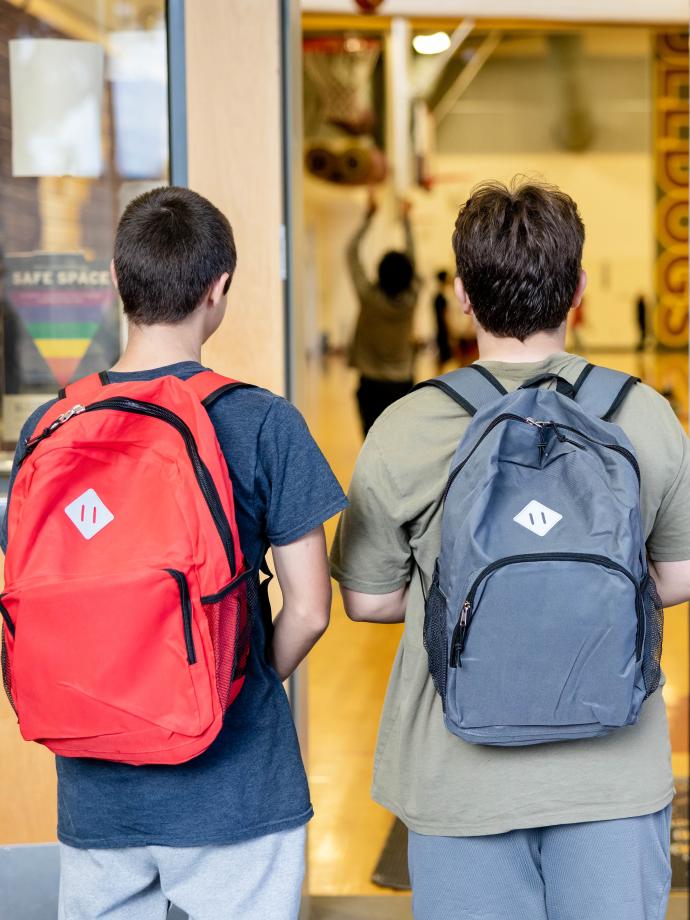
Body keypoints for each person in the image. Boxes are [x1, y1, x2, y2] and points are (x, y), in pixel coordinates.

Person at [330, 179, 690, 920]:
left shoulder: (407, 425)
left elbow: (366, 600)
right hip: (612, 778)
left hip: (460, 778)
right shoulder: (644, 415)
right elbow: (677, 577)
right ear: (579, 290)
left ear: (463, 294)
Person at [1, 186, 347, 920]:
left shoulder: (49, 426)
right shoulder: (261, 422)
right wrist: (233, 682)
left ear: (118, 285)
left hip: (97, 791)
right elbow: (311, 609)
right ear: (218, 290)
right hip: (235, 786)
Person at [347, 191, 420, 436]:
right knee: (398, 441)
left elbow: (351, 253)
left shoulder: (369, 298)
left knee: (370, 441)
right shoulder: (411, 299)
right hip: (401, 383)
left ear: (379, 272)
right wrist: (406, 221)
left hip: (370, 384)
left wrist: (368, 218)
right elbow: (412, 259)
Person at [432, 269, 452, 370]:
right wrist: (450, 329)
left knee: (442, 359)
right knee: (442, 359)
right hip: (442, 330)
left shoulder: (438, 296)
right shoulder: (440, 297)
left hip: (440, 329)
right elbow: (444, 316)